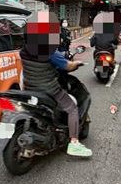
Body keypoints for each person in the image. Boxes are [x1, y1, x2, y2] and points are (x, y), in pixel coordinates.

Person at [20, 12, 92, 158]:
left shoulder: (24, 50)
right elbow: (68, 66)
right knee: (72, 108)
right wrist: (76, 64)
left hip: (29, 88)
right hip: (49, 90)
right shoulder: (50, 52)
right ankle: (74, 143)